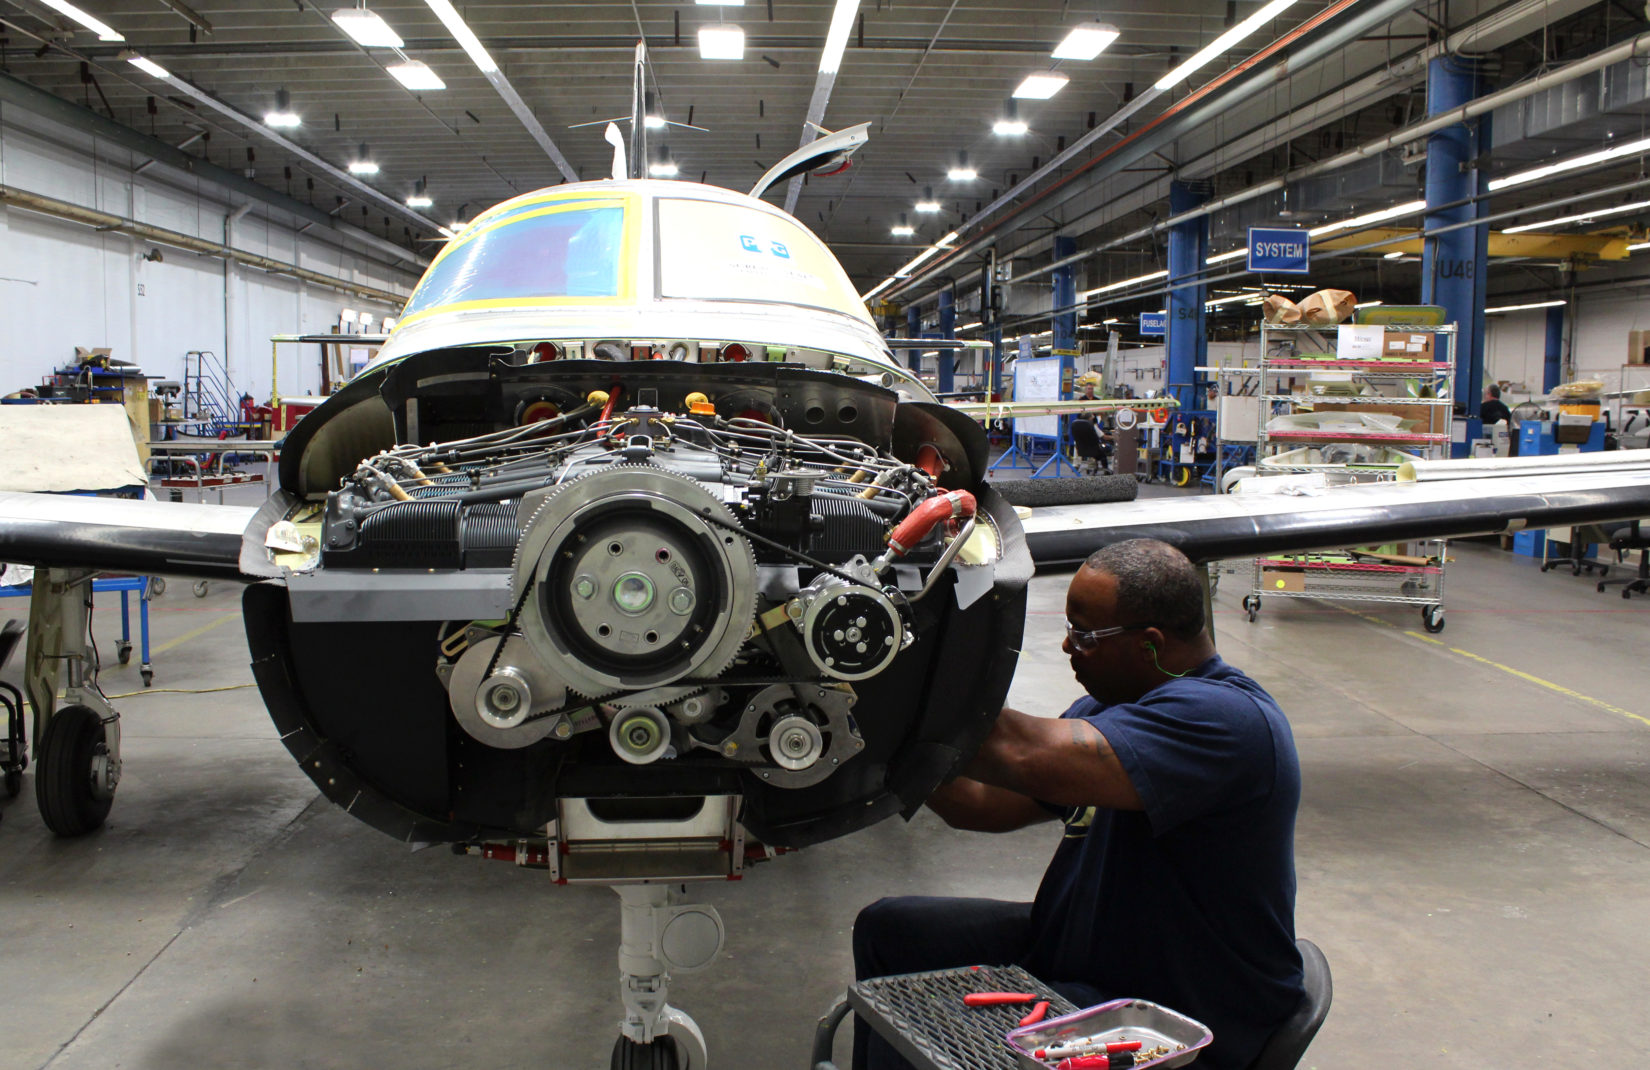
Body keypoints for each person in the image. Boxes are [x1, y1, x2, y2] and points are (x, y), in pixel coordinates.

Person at [853, 539, 1304, 1070]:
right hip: (1088, 950)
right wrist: (871, 740)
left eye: (1084, 635)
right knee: (891, 930)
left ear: (1151, 644)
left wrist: (876, 667)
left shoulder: (1225, 721)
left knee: (958, 1035)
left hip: (1175, 1008)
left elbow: (1018, 752)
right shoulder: (1112, 706)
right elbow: (979, 804)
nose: (1068, 647)